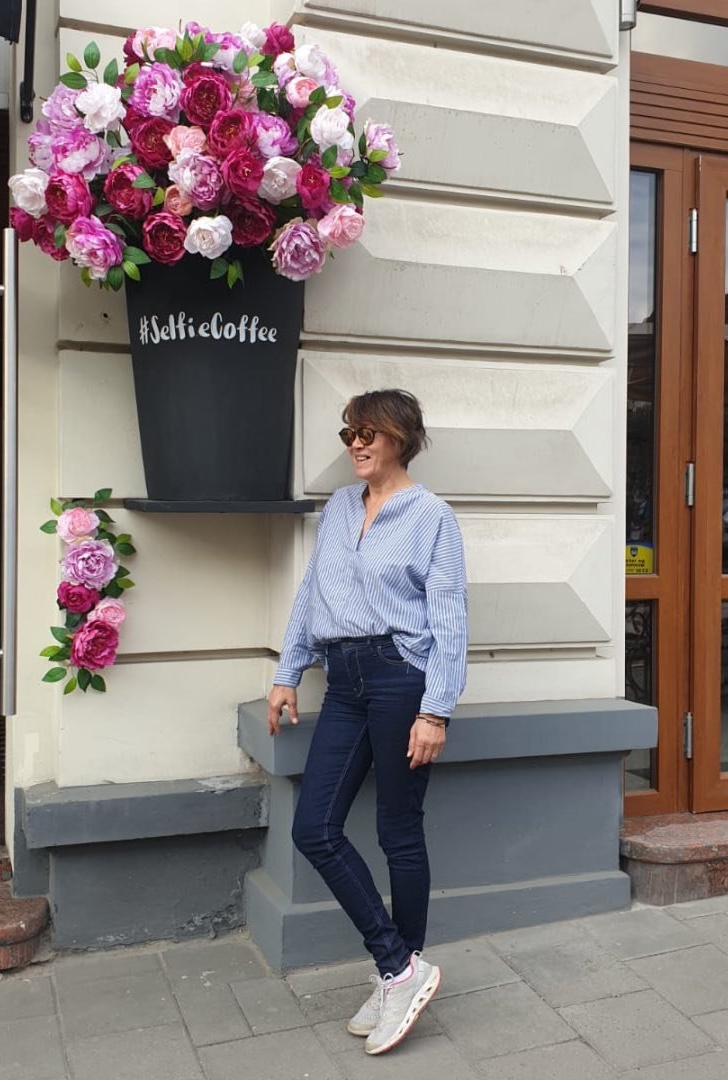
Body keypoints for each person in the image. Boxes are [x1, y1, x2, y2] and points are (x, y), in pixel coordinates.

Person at [267, 388, 468, 1056]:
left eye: (368, 433)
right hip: (344, 679)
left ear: (400, 439)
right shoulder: (339, 508)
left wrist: (435, 709)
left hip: (400, 676)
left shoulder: (431, 516)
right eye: (350, 432)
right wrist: (287, 672)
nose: (356, 443)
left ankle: (399, 974)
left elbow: (449, 618)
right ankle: (399, 967)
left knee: (397, 831)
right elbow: (312, 593)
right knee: (314, 827)